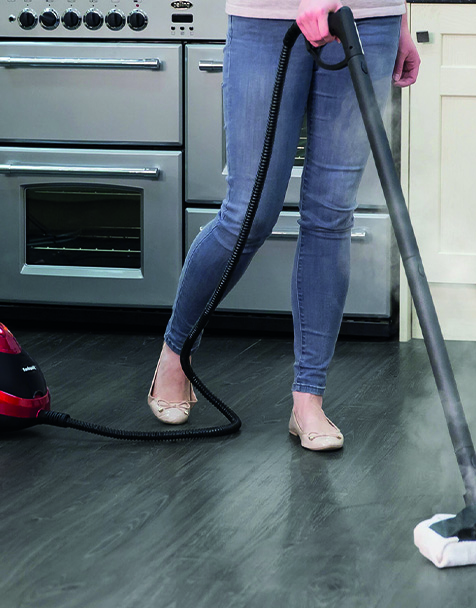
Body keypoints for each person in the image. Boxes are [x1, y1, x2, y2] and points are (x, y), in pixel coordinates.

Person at [147, 0, 421, 451]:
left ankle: (308, 399)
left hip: (369, 19)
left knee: (331, 215)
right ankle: (175, 352)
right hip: (268, 19)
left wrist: (400, 18)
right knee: (247, 215)